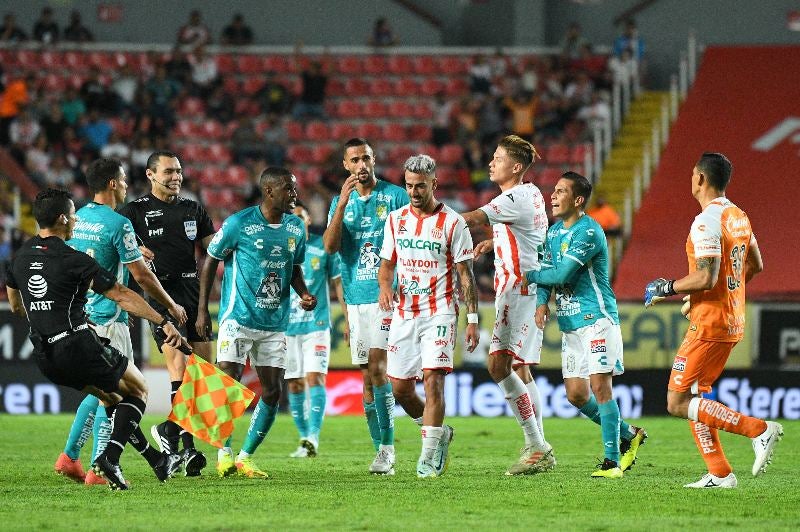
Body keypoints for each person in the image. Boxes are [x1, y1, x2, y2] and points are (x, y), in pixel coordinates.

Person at [5, 188, 184, 490]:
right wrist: (163, 321)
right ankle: (108, 460)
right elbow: (123, 295)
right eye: (73, 214)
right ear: (62, 218)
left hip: (45, 355)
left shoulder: (19, 257)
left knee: (112, 399)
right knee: (139, 392)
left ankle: (157, 460)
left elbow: (15, 304)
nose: (76, 219)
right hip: (77, 345)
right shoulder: (73, 259)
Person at [644, 152, 783, 488]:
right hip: (729, 318)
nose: (691, 180)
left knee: (677, 402)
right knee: (695, 397)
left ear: (701, 179)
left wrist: (669, 287)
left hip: (710, 323)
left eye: (693, 175)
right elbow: (755, 265)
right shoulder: (738, 216)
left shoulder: (706, 220)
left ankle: (758, 429)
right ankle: (720, 473)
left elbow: (706, 276)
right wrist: (705, 295)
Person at [53, 158, 187, 485]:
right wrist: (169, 305)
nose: (127, 185)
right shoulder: (118, 223)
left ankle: (70, 457)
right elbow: (140, 276)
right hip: (110, 318)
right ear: (113, 184)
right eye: (124, 180)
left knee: (99, 390)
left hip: (80, 316)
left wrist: (134, 251)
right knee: (119, 392)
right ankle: (101, 467)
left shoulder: (77, 219)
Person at [523, 172, 647, 479]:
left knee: (600, 388)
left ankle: (612, 462)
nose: (553, 196)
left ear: (578, 200)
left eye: (561, 191)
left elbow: (560, 274)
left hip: (597, 320)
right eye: (553, 190)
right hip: (570, 324)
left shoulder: (589, 232)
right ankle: (629, 434)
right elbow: (547, 270)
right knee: (576, 394)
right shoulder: (553, 234)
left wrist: (528, 276)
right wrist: (541, 301)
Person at [196, 167, 316, 478]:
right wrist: (202, 310)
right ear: (270, 191)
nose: (294, 195)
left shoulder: (295, 227)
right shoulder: (239, 223)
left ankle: (245, 456)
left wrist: (303, 293)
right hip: (238, 316)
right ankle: (224, 452)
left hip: (275, 321)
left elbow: (294, 268)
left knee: (273, 391)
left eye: (295, 188)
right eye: (288, 189)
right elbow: (211, 259)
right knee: (227, 382)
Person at [378, 154, 479, 477]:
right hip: (405, 313)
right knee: (400, 389)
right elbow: (386, 265)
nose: (413, 192)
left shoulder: (453, 223)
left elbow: (466, 275)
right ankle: (439, 432)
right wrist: (385, 287)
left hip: (440, 312)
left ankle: (429, 456)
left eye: (420, 186)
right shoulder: (395, 220)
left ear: (434, 184)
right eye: (408, 185)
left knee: (433, 381)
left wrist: (473, 320)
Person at [118, 150, 217, 476]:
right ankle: (188, 450)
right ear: (150, 175)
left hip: (194, 296)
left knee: (203, 373)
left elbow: (213, 252)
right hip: (161, 297)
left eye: (178, 171)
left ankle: (170, 434)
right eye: (169, 171)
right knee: (181, 367)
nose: (176, 176)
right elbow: (113, 248)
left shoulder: (194, 209)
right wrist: (132, 248)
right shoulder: (134, 211)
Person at [461, 134, 553, 475]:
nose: (490, 163)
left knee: (498, 366)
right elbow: (523, 234)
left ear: (515, 167)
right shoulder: (526, 195)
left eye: (497, 158)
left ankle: (537, 444)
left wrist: (431, 221)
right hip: (523, 289)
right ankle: (537, 445)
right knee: (520, 369)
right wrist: (493, 243)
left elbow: (470, 218)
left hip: (518, 291)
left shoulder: (514, 197)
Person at [322, 138, 408, 474]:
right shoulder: (338, 202)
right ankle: (381, 449)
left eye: (367, 158)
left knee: (377, 367)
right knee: (367, 378)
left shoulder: (396, 196)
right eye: (355, 160)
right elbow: (330, 248)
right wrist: (342, 203)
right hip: (355, 300)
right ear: (346, 165)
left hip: (387, 295)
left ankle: (388, 450)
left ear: (374, 160)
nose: (362, 165)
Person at [285, 202, 346, 458]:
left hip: (317, 324)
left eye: (302, 216)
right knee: (296, 385)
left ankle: (313, 437)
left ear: (309, 219)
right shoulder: (282, 248)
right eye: (293, 218)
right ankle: (303, 438)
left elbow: (339, 284)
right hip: (286, 327)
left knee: (315, 378)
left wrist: (348, 318)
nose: (298, 221)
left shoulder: (324, 246)